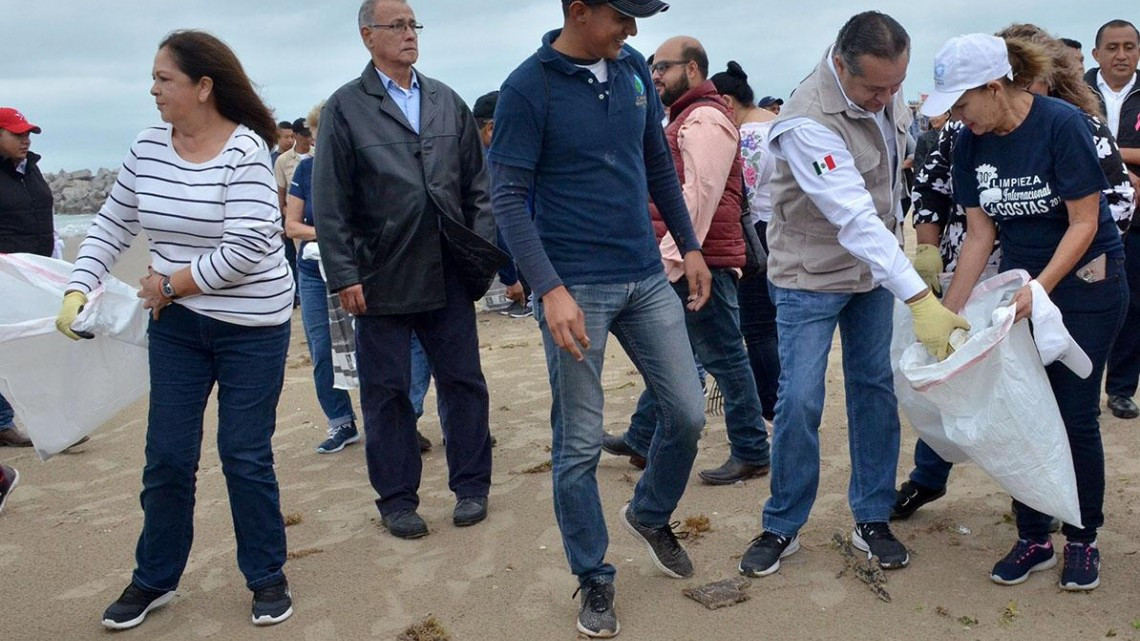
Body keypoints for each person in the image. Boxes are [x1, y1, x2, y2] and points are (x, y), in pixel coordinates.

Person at [55, 30, 296, 629]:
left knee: (243, 454)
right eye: (154, 77)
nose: (153, 88)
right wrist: (79, 285)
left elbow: (248, 247)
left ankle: (267, 576)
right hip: (178, 328)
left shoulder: (246, 151)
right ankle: (155, 578)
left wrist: (168, 285)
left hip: (253, 327)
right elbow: (111, 225)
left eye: (165, 78)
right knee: (165, 456)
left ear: (203, 87)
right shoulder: (147, 147)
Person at [491, 0, 713, 636]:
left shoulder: (635, 73)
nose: (634, 29)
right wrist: (549, 288)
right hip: (574, 286)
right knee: (580, 444)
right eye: (623, 15)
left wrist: (690, 246)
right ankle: (593, 576)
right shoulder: (526, 87)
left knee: (688, 409)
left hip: (644, 274)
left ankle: (648, 513)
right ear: (579, 11)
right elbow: (506, 197)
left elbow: (656, 168)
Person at [737, 11, 967, 579]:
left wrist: (914, 255)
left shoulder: (883, 89)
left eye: (896, 84)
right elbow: (854, 217)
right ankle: (782, 523)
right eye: (875, 87)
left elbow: (890, 188)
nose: (888, 97)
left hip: (871, 278)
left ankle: (871, 515)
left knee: (873, 391)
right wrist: (921, 300)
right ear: (840, 64)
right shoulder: (805, 121)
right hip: (809, 277)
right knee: (799, 400)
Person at [895, 24, 1135, 521]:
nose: (953, 117)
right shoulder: (968, 142)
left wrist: (1039, 291)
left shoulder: (1064, 125)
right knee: (1025, 411)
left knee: (1073, 414)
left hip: (1087, 285)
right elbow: (981, 236)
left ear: (994, 87)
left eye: (961, 105)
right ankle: (1032, 536)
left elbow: (1086, 222)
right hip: (1024, 285)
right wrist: (949, 314)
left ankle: (1084, 534)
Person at [314, 0, 496, 540]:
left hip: (449, 271)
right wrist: (345, 274)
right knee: (387, 392)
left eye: (413, 24)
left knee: (463, 383)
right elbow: (331, 200)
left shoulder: (445, 100)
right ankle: (396, 499)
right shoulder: (347, 107)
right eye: (397, 25)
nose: (409, 34)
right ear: (367, 36)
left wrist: (479, 256)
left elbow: (478, 189)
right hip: (381, 276)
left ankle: (471, 487)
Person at [603, 37, 770, 485]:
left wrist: (675, 258)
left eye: (664, 67)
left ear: (693, 70)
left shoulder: (705, 119)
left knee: (724, 356)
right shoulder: (686, 117)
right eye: (653, 68)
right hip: (691, 257)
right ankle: (642, 437)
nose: (654, 75)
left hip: (701, 262)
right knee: (679, 355)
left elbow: (702, 196)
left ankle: (752, 448)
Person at [285, 102, 361, 454]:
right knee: (321, 349)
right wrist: (327, 234)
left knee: (370, 343)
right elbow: (291, 226)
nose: (320, 142)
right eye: (316, 135)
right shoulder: (306, 170)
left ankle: (387, 418)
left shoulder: (359, 164)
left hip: (358, 265)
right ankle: (341, 422)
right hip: (313, 270)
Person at [710, 61, 780, 424]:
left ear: (727, 101)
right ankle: (775, 403)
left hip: (757, 235)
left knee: (757, 328)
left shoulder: (749, 134)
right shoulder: (774, 122)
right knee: (772, 325)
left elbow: (743, 194)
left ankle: (769, 407)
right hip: (779, 232)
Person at [1088, 20, 1140, 419]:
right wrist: (1123, 166)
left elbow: (1088, 143)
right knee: (1086, 301)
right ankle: (1082, 385)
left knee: (1134, 304)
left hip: (1138, 218)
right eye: (1112, 47)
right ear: (1097, 53)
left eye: (1129, 47)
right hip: (1088, 215)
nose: (1121, 55)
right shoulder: (1077, 92)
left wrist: (1110, 155)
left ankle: (1121, 388)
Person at [0, 107, 49, 448]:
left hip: (36, 274)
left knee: (36, 347)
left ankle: (53, 420)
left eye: (28, 133)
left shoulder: (30, 168)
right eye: (17, 134)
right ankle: (4, 423)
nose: (26, 139)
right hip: (5, 277)